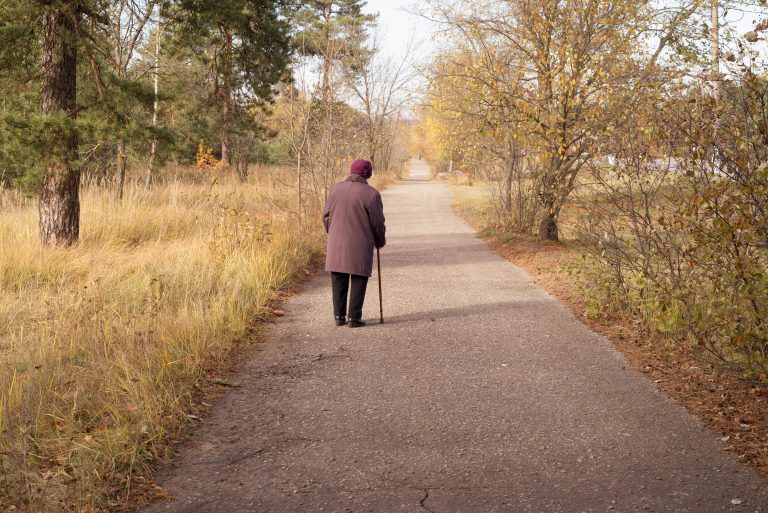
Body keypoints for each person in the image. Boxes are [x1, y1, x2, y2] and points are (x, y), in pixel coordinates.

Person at [322, 159, 386, 328]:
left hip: (336, 242)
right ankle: (354, 318)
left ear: (351, 171)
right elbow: (377, 223)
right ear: (368, 173)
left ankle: (339, 317)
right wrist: (380, 240)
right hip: (360, 242)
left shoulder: (336, 189)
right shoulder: (371, 194)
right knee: (358, 277)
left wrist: (333, 231)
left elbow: (326, 216)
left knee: (338, 277)